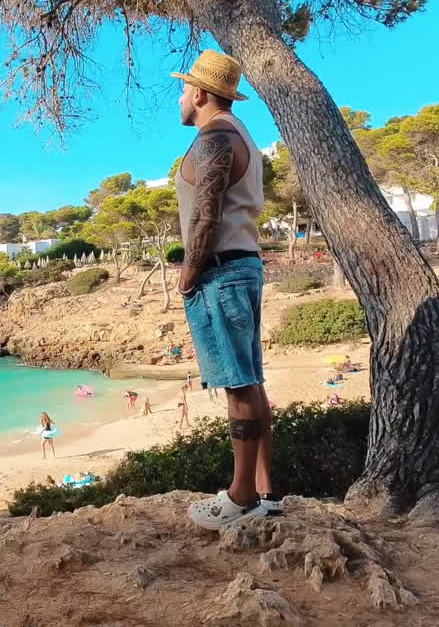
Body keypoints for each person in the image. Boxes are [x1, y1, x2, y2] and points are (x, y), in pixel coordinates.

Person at [172, 49, 280, 527]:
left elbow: (206, 213)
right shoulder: (243, 136)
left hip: (220, 271)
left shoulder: (214, 137)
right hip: (243, 265)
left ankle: (239, 499)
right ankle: (265, 492)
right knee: (250, 379)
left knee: (237, 383)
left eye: (183, 89)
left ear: (199, 93)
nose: (180, 98)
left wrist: (189, 272)